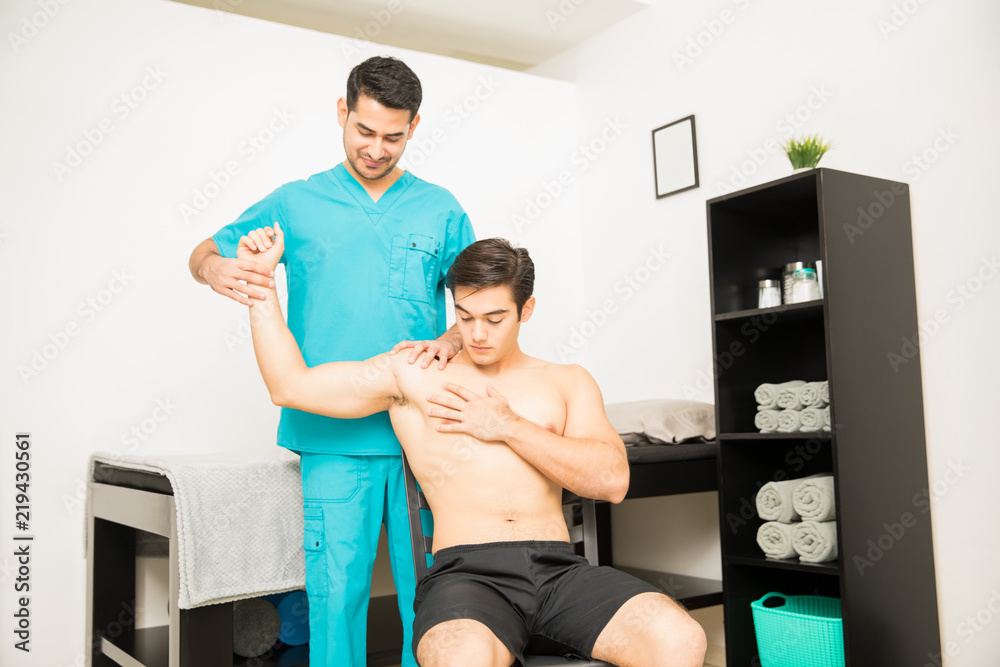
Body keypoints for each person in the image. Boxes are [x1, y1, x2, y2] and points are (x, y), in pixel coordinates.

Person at [238, 229, 708, 667]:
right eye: (465, 316)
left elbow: (612, 481)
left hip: (560, 572)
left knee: (679, 637)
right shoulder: (415, 371)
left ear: (526, 310)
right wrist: (260, 285)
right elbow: (290, 387)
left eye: (495, 318)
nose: (477, 334)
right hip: (466, 576)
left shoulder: (567, 382)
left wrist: (506, 425)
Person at [187, 56, 476, 667]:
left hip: (420, 435)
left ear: (414, 127)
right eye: (364, 130)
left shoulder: (441, 209)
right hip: (332, 438)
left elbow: (475, 309)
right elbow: (205, 252)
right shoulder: (297, 203)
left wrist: (449, 342)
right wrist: (221, 270)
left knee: (433, 597)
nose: (375, 148)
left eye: (392, 136)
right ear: (342, 113)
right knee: (336, 598)